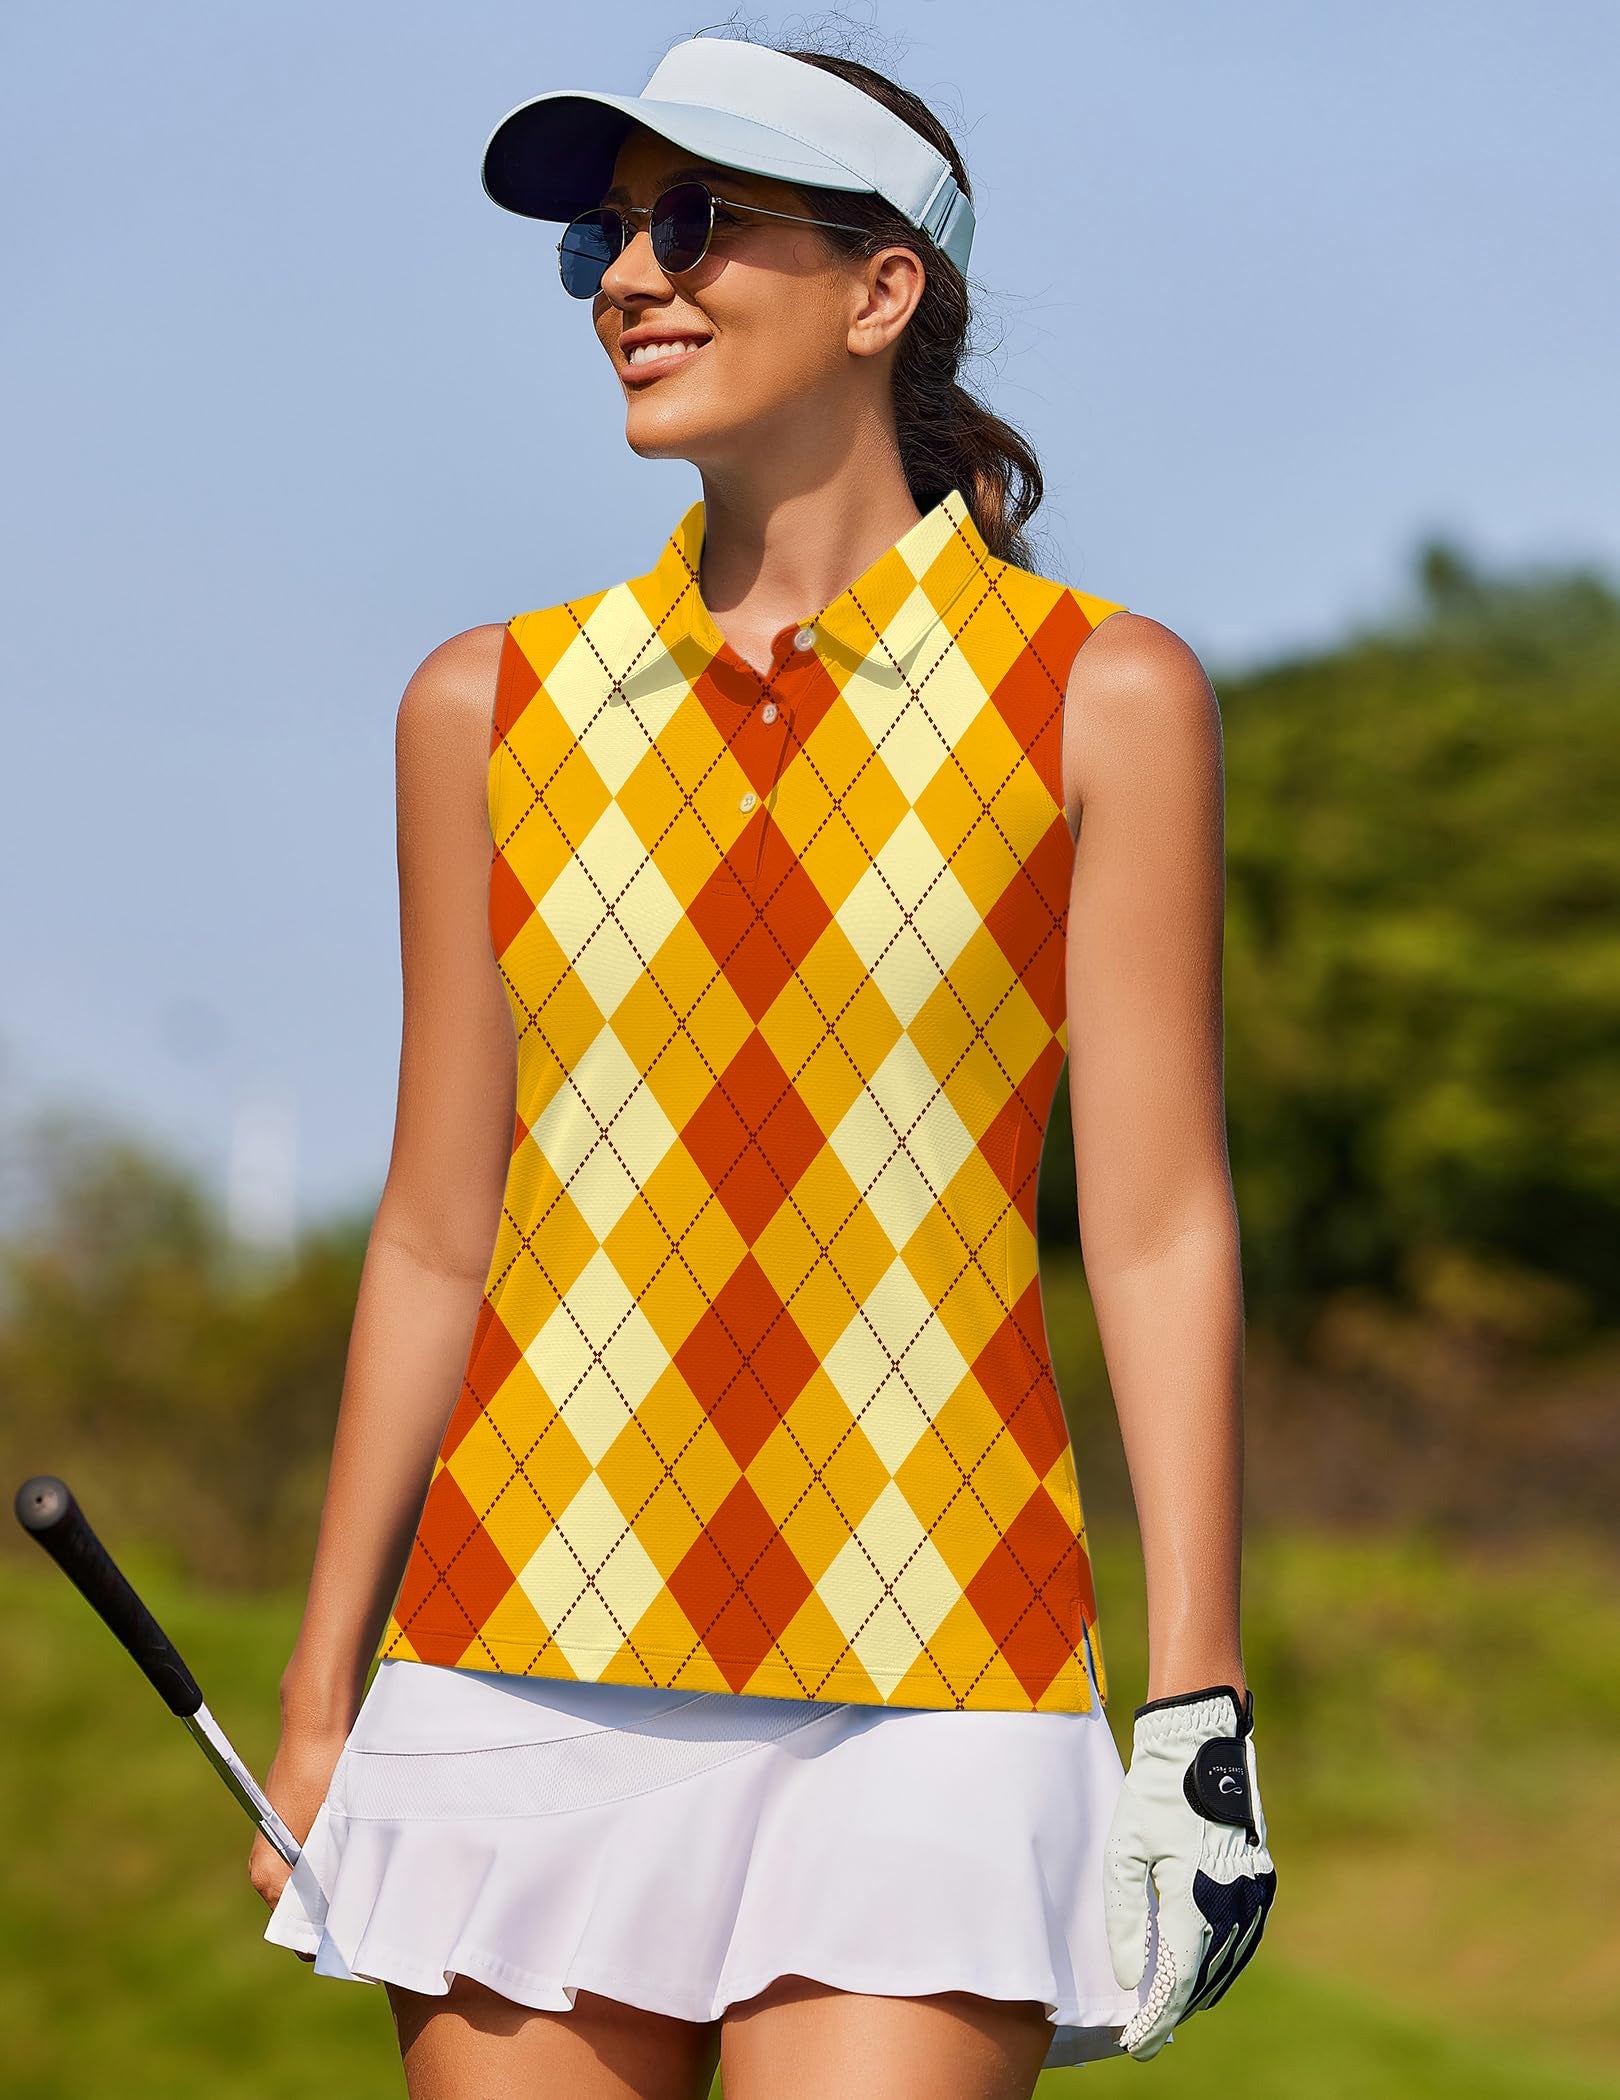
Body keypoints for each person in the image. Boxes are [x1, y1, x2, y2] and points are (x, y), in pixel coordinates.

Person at [253, 31, 1276, 2100]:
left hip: (943, 1666)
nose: (630, 276)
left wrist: (1199, 1692)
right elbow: (442, 1228)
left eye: (696, 222)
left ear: (883, 290)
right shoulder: (484, 705)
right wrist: (319, 1679)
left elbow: (1157, 1227)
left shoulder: (1105, 696)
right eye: (601, 240)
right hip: (517, 1650)